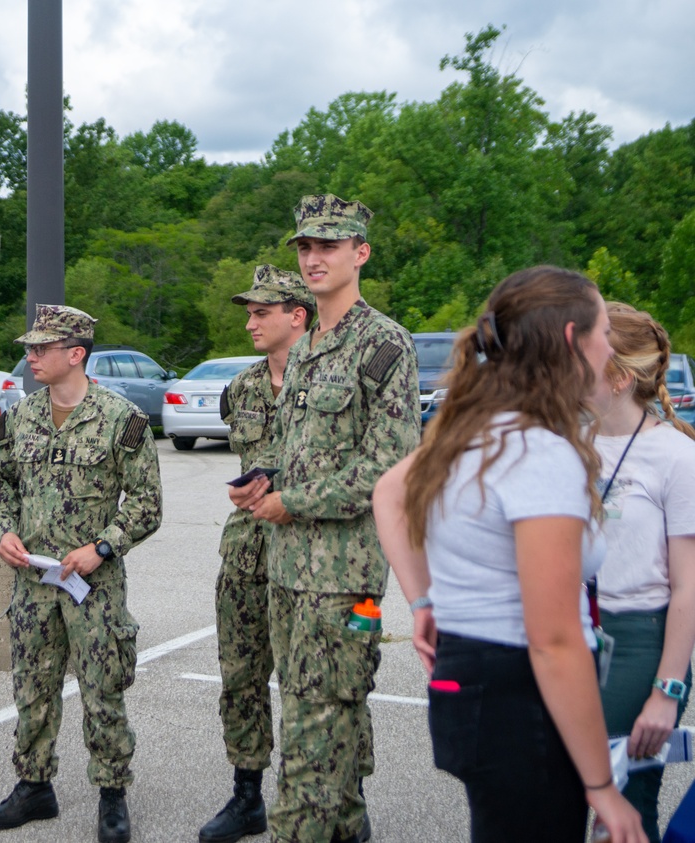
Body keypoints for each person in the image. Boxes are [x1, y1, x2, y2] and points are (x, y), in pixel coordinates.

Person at [372, 267, 648, 843]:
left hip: (471, 684)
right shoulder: (538, 453)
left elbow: (389, 492)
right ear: (573, 340)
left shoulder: (469, 431)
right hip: (520, 699)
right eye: (603, 332)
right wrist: (601, 787)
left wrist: (425, 598)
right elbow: (553, 637)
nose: (609, 348)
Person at [230, 194, 421, 843]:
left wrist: (294, 500)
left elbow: (389, 468)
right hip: (287, 571)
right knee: (321, 721)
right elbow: (297, 452)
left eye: (328, 245)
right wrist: (266, 482)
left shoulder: (383, 344)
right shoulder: (308, 346)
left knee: (313, 743)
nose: (313, 257)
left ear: (360, 252)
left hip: (344, 582)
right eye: (305, 247)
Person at [0, 304, 163, 843]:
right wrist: (5, 531)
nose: (30, 356)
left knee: (102, 687)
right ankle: (34, 785)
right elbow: (2, 484)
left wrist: (103, 547)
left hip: (94, 585)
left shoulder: (121, 419)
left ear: (75, 354)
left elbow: (148, 504)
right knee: (32, 685)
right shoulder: (19, 417)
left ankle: (112, 794)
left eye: (41, 348)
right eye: (30, 348)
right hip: (34, 582)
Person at [199, 265, 316, 843]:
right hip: (247, 552)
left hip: (313, 554)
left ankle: (339, 793)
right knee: (241, 676)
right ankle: (247, 794)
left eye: (261, 312)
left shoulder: (328, 380)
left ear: (297, 315)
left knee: (316, 683)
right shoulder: (241, 388)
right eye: (249, 312)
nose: (250, 322)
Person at [591, 303, 695, 843]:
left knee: (623, 812)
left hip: (638, 644)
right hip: (571, 633)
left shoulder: (676, 457)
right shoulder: (567, 441)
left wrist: (666, 691)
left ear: (618, 378)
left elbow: (689, 589)